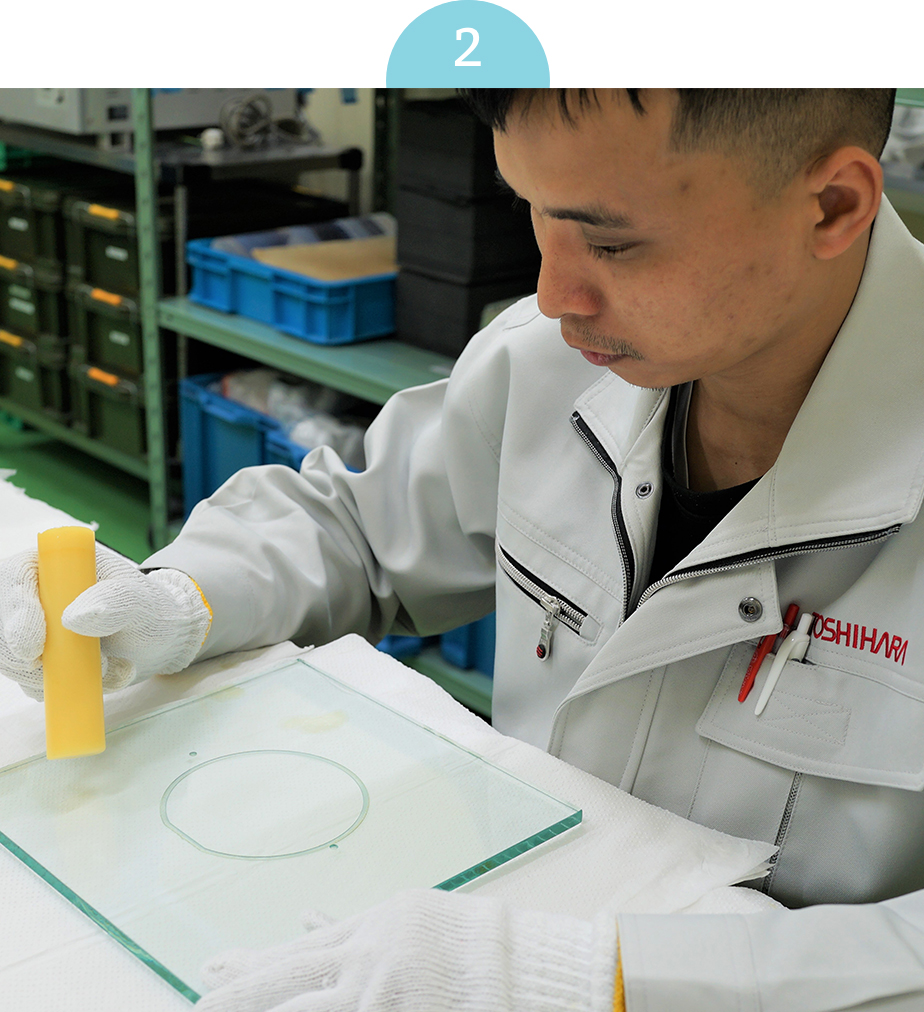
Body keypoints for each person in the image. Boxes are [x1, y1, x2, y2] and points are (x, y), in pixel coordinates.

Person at [1, 88, 922, 1011]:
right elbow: (359, 527)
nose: (555, 296)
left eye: (610, 243)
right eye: (536, 212)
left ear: (831, 206)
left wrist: (614, 981)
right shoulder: (544, 360)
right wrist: (189, 596)